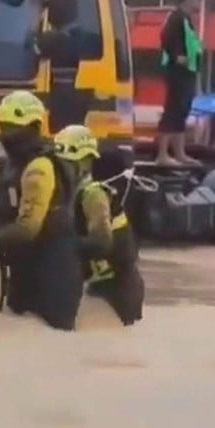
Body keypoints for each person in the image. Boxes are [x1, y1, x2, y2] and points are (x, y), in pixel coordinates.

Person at [0, 90, 83, 331]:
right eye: (3, 127)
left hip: (54, 274)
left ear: (34, 127)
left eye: (13, 127)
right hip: (22, 272)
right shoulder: (9, 167)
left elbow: (28, 228)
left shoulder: (40, 169)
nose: (6, 135)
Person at [53, 125, 143, 326]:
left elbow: (102, 242)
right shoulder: (73, 192)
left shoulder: (93, 195)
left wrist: (62, 246)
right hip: (101, 286)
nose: (61, 169)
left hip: (115, 291)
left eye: (67, 164)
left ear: (84, 162)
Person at [156, 0, 204, 167]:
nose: (198, 1)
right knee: (172, 110)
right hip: (177, 72)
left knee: (181, 112)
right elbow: (165, 37)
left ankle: (179, 152)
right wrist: (177, 56)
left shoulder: (187, 20)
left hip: (187, 72)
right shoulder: (176, 17)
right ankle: (162, 154)